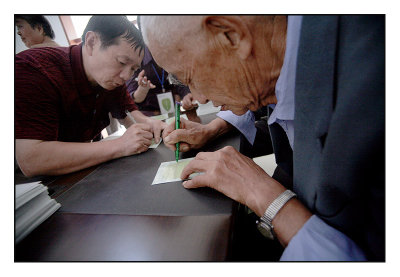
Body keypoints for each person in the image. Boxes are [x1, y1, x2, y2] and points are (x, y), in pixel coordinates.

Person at [141, 15, 384, 261]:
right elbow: (281, 118)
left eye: (189, 77)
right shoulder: (281, 56)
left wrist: (265, 196)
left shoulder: (377, 76)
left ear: (231, 35)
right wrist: (212, 130)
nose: (199, 98)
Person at [15, 15, 166, 177]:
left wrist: (156, 125)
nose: (126, 76)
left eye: (133, 69)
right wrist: (120, 145)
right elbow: (31, 160)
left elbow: (130, 113)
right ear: (92, 42)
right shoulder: (33, 67)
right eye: (122, 62)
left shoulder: (111, 79)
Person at [126, 47, 191, 116]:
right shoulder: (137, 57)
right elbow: (133, 98)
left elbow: (180, 80)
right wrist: (143, 89)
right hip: (149, 114)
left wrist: (186, 95)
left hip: (175, 110)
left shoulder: (170, 52)